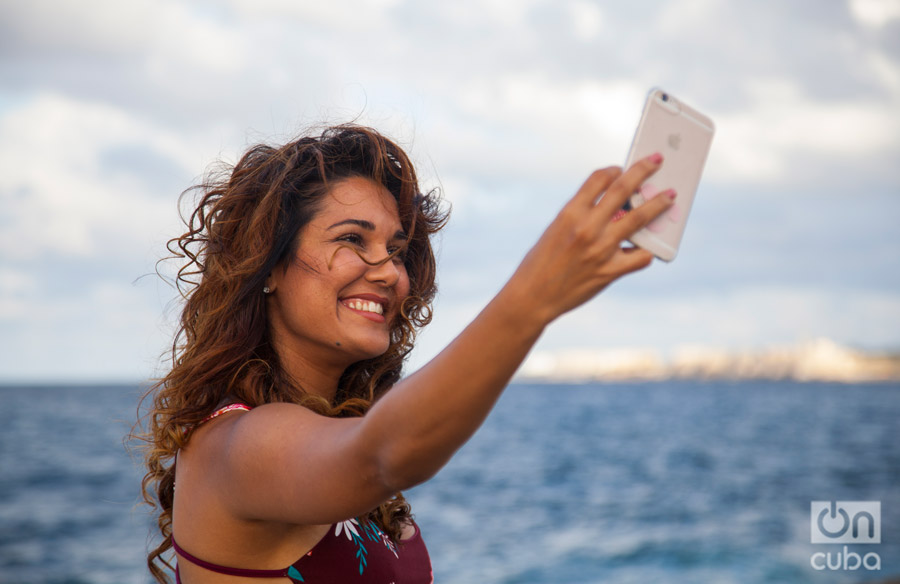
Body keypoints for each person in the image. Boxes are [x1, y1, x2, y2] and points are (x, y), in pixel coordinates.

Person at [138, 124, 675, 583]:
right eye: (352, 239)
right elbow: (383, 455)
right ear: (270, 267)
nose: (390, 271)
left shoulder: (327, 427)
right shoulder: (236, 445)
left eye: (396, 249)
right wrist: (533, 299)